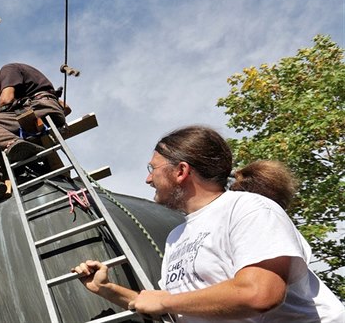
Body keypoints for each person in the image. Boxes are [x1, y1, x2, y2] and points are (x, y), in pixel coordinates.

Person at [72, 126, 344, 322]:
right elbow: (177, 307)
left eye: (152, 169)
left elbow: (259, 294)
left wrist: (164, 299)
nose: (148, 180)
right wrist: (107, 289)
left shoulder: (249, 209)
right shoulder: (176, 236)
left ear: (180, 171)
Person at [0, 63, 66, 211]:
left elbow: (6, 99)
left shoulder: (8, 70)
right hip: (39, 112)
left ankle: (15, 143)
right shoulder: (29, 85)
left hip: (37, 109)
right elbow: (67, 108)